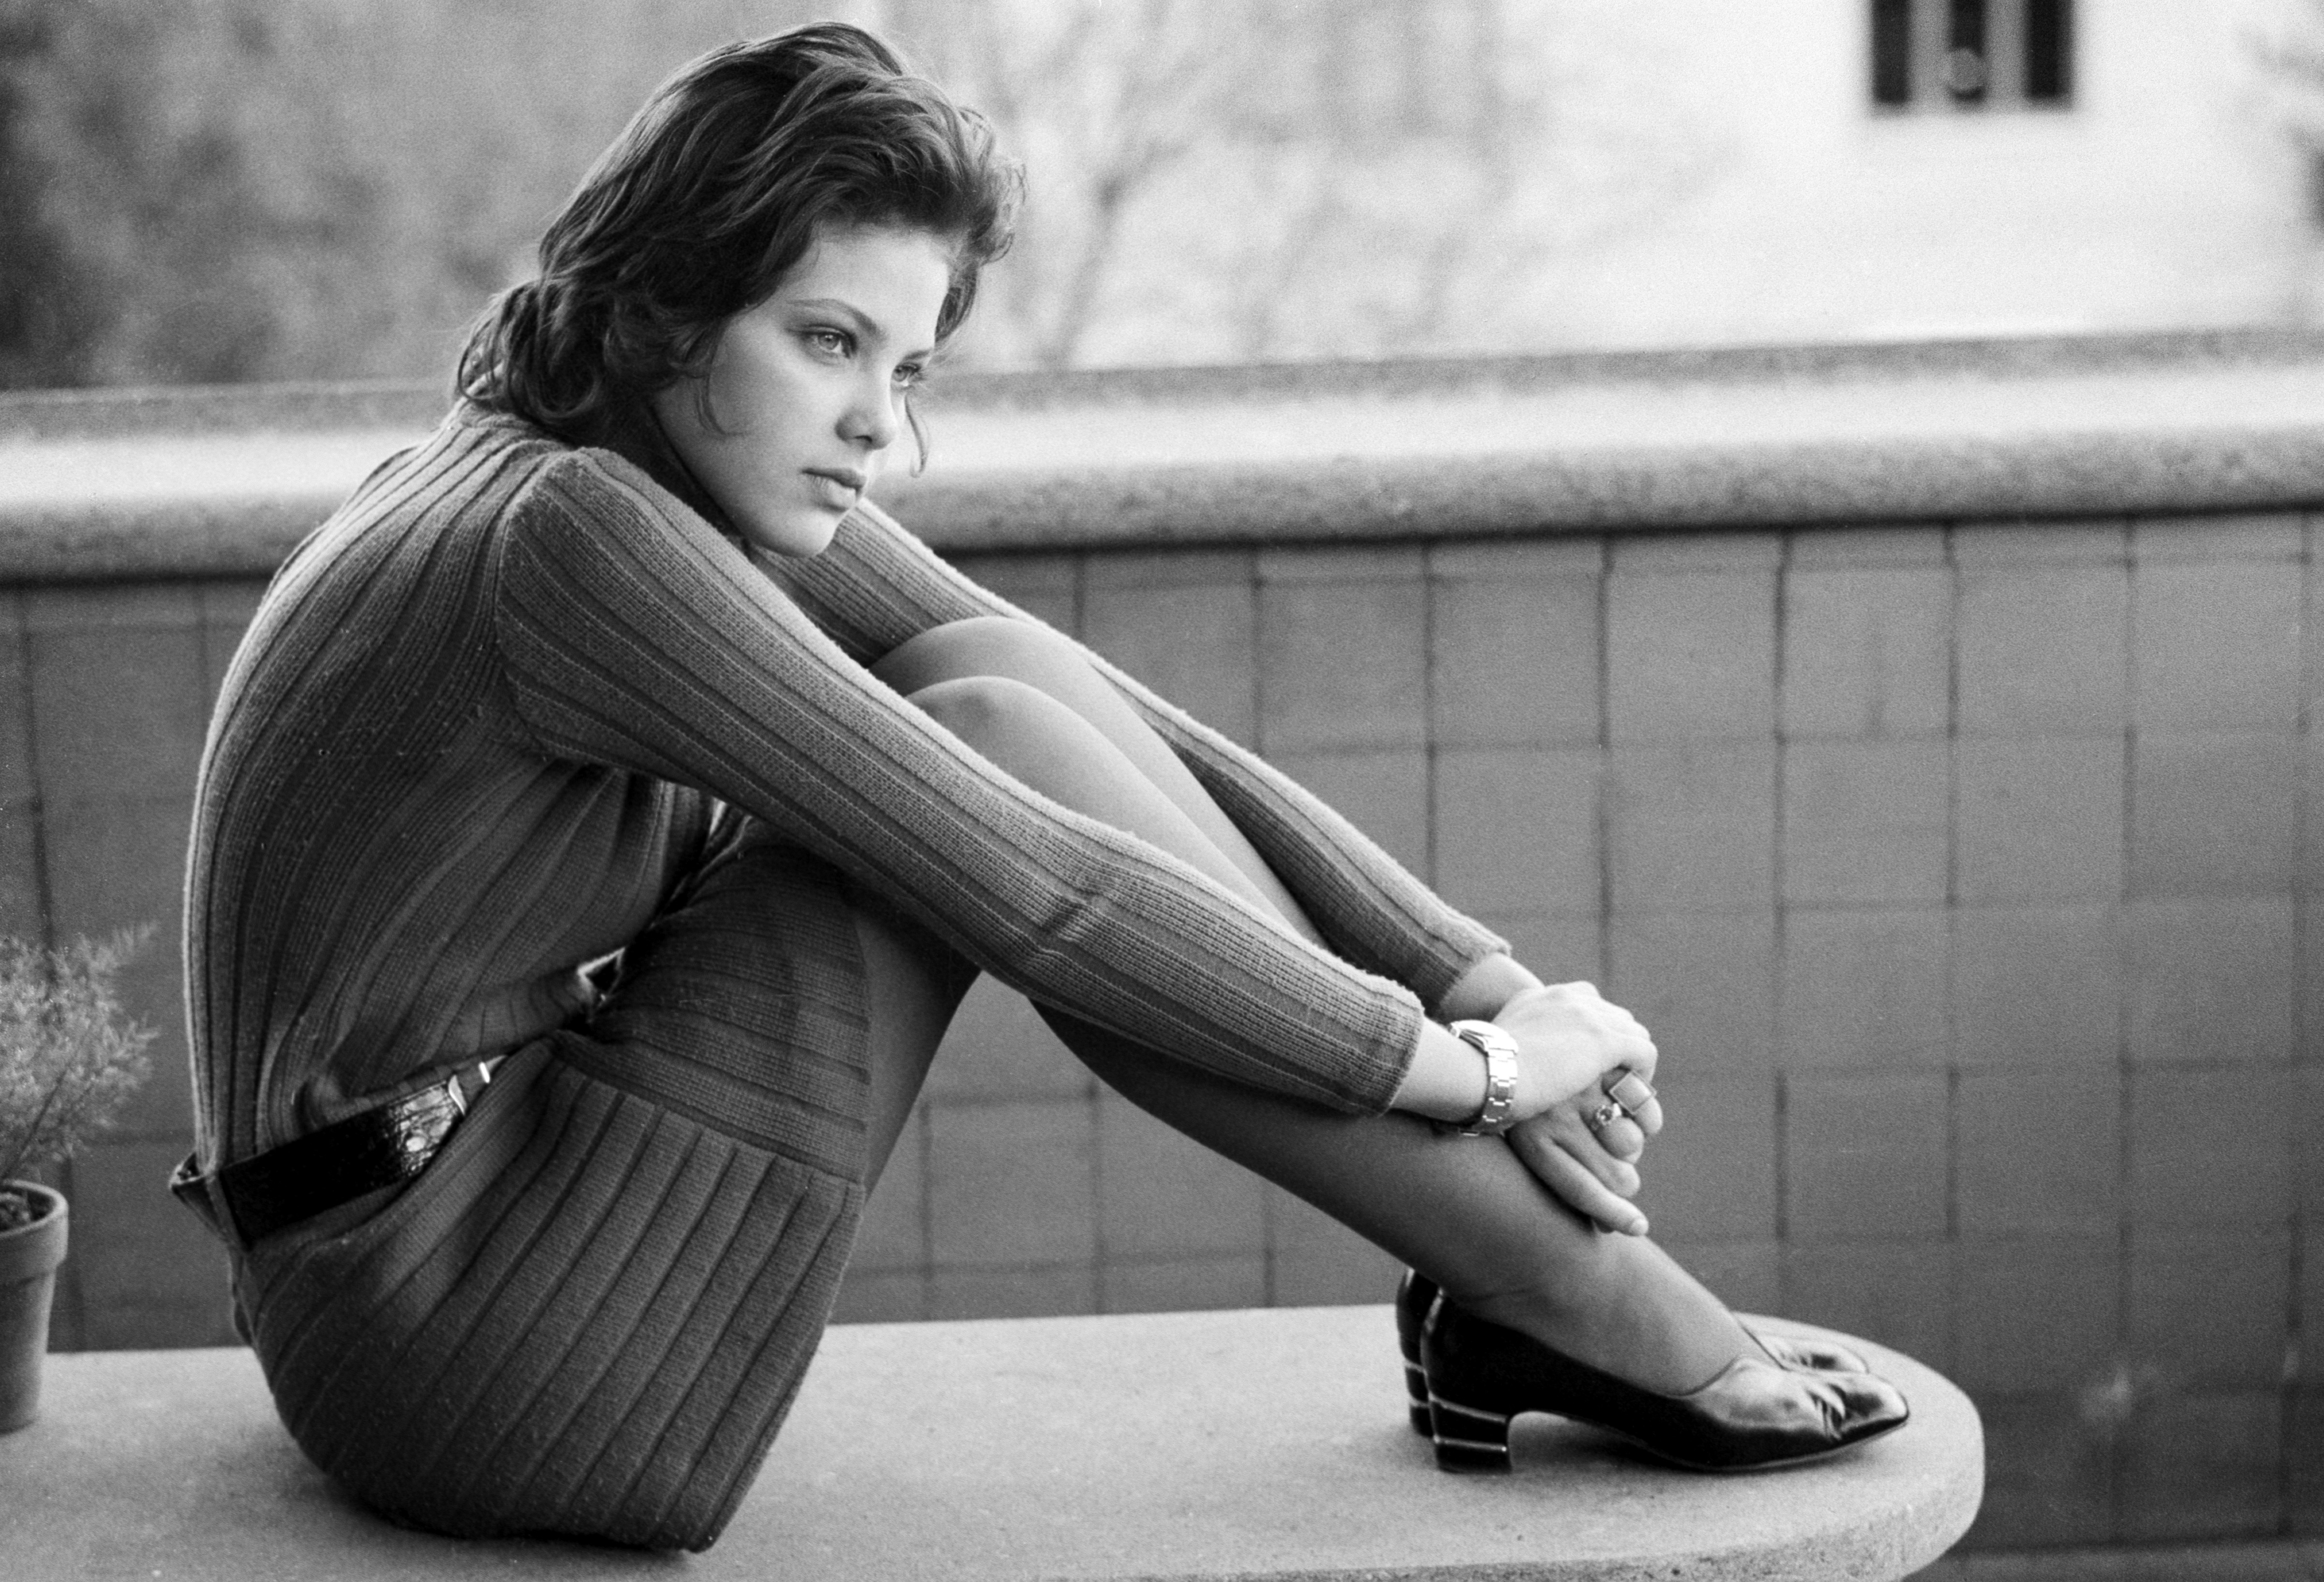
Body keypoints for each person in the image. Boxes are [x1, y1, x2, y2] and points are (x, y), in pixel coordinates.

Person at [171, 22, 1905, 1552]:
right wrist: (1487, 1077)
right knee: (983, 761)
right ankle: (1565, 1291)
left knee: (994, 678)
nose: (878, 422)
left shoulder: (614, 469)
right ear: (662, 308)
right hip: (447, 1325)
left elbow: (1080, 697)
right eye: (827, 341)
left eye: (906, 366)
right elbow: (1039, 885)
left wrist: (1487, 981)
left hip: (453, 1222)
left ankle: (1541, 1286)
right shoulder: (567, 538)